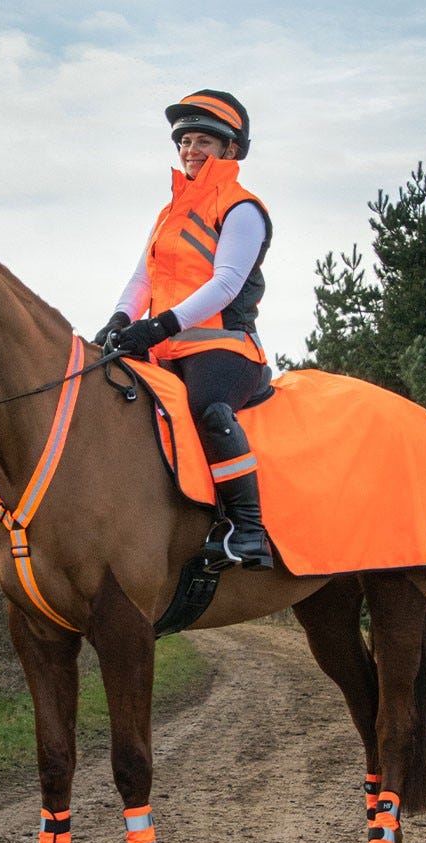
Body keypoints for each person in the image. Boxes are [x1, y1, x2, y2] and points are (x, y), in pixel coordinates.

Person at [94, 89, 274, 570]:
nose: (191, 150)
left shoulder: (242, 208)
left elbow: (227, 283)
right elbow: (142, 279)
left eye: (204, 142)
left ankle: (249, 530)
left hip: (224, 348)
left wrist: (158, 326)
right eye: (184, 141)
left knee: (209, 410)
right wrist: (119, 320)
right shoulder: (168, 213)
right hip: (163, 346)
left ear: (230, 150)